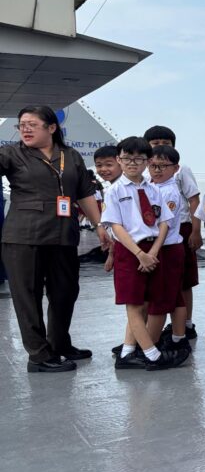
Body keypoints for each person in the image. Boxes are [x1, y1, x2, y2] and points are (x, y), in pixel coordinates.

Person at [0, 105, 102, 372]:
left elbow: (84, 193)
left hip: (63, 234)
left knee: (65, 291)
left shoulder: (71, 155)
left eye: (32, 124)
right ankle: (39, 355)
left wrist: (99, 225)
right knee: (28, 296)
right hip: (24, 237)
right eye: (21, 125)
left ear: (52, 128)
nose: (25, 129)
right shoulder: (11, 154)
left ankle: (59, 344)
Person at [103, 136, 181, 371]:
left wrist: (153, 252)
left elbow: (164, 222)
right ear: (119, 160)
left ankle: (127, 353)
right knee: (134, 305)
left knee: (146, 302)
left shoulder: (153, 189)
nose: (132, 163)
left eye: (139, 159)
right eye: (127, 158)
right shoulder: (114, 191)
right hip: (130, 251)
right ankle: (152, 355)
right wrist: (139, 254)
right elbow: (116, 227)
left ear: (147, 161)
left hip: (152, 250)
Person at [144, 126, 201, 341]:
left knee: (183, 281)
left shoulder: (181, 170)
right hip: (152, 234)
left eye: (165, 143)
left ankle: (186, 324)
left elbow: (194, 199)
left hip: (180, 229)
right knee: (158, 284)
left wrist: (196, 230)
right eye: (155, 143)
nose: (160, 146)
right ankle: (157, 328)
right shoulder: (146, 172)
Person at [144, 145, 191, 360]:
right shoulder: (154, 187)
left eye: (163, 166)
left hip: (167, 248)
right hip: (166, 247)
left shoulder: (168, 191)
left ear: (175, 168)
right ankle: (178, 338)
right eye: (153, 165)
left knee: (160, 298)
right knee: (175, 296)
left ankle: (150, 344)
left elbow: (163, 223)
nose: (157, 170)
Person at [94, 145, 121, 277]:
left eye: (109, 165)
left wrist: (111, 255)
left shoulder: (119, 189)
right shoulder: (111, 188)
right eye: (99, 165)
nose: (103, 169)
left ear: (120, 162)